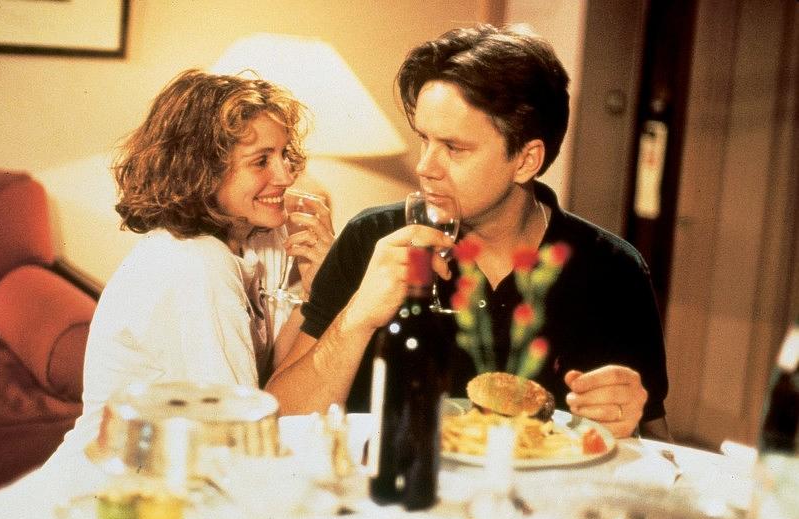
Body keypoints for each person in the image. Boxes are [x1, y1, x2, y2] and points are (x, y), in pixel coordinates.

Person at [266, 24, 670, 440]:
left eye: (453, 148)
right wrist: (357, 318)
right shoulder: (371, 239)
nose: (425, 166)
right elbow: (277, 421)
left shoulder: (614, 271)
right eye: (424, 140)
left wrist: (628, 422)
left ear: (526, 160)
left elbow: (663, 450)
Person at [70, 69, 333, 445]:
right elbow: (240, 434)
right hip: (124, 470)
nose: (286, 176)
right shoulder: (196, 263)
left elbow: (274, 380)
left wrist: (316, 293)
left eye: (283, 155)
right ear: (203, 171)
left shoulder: (255, 241)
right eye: (261, 161)